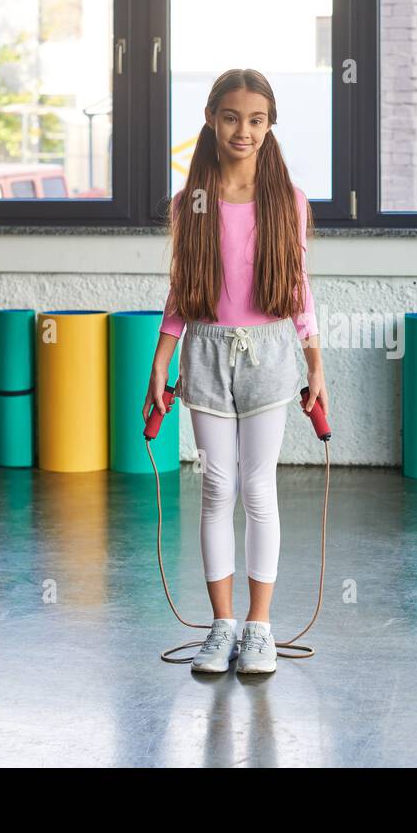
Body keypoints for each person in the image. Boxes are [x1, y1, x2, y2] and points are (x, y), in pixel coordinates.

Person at [145, 68, 328, 673]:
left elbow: (299, 290)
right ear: (210, 120)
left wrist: (315, 363)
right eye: (231, 117)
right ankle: (221, 625)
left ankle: (260, 626)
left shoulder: (290, 201)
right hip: (204, 353)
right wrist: (161, 360)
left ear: (270, 124)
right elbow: (181, 291)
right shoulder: (188, 203)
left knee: (257, 488)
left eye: (255, 119)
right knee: (216, 487)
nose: (243, 130)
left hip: (271, 352)